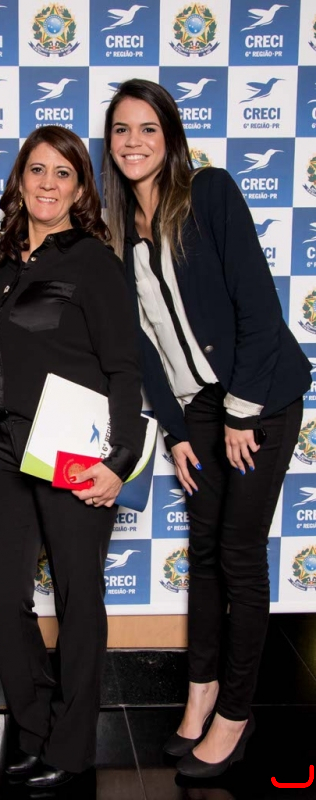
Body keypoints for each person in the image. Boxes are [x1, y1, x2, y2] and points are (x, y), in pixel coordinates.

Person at [102, 78, 312, 778]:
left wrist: (241, 413)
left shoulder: (210, 194)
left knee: (239, 554)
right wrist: (177, 430)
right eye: (122, 130)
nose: (134, 142)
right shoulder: (118, 237)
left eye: (148, 129)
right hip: (197, 407)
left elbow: (259, 308)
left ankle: (236, 715)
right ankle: (200, 695)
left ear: (170, 139)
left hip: (261, 396)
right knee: (204, 554)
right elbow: (142, 350)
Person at [0, 126, 147, 789]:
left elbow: (124, 368)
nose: (47, 183)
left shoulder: (94, 262)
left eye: (62, 173)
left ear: (80, 189)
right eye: (36, 170)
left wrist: (119, 460)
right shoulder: (3, 261)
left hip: (74, 452)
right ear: (19, 180)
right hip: (9, 450)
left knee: (78, 597)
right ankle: (36, 727)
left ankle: (71, 749)